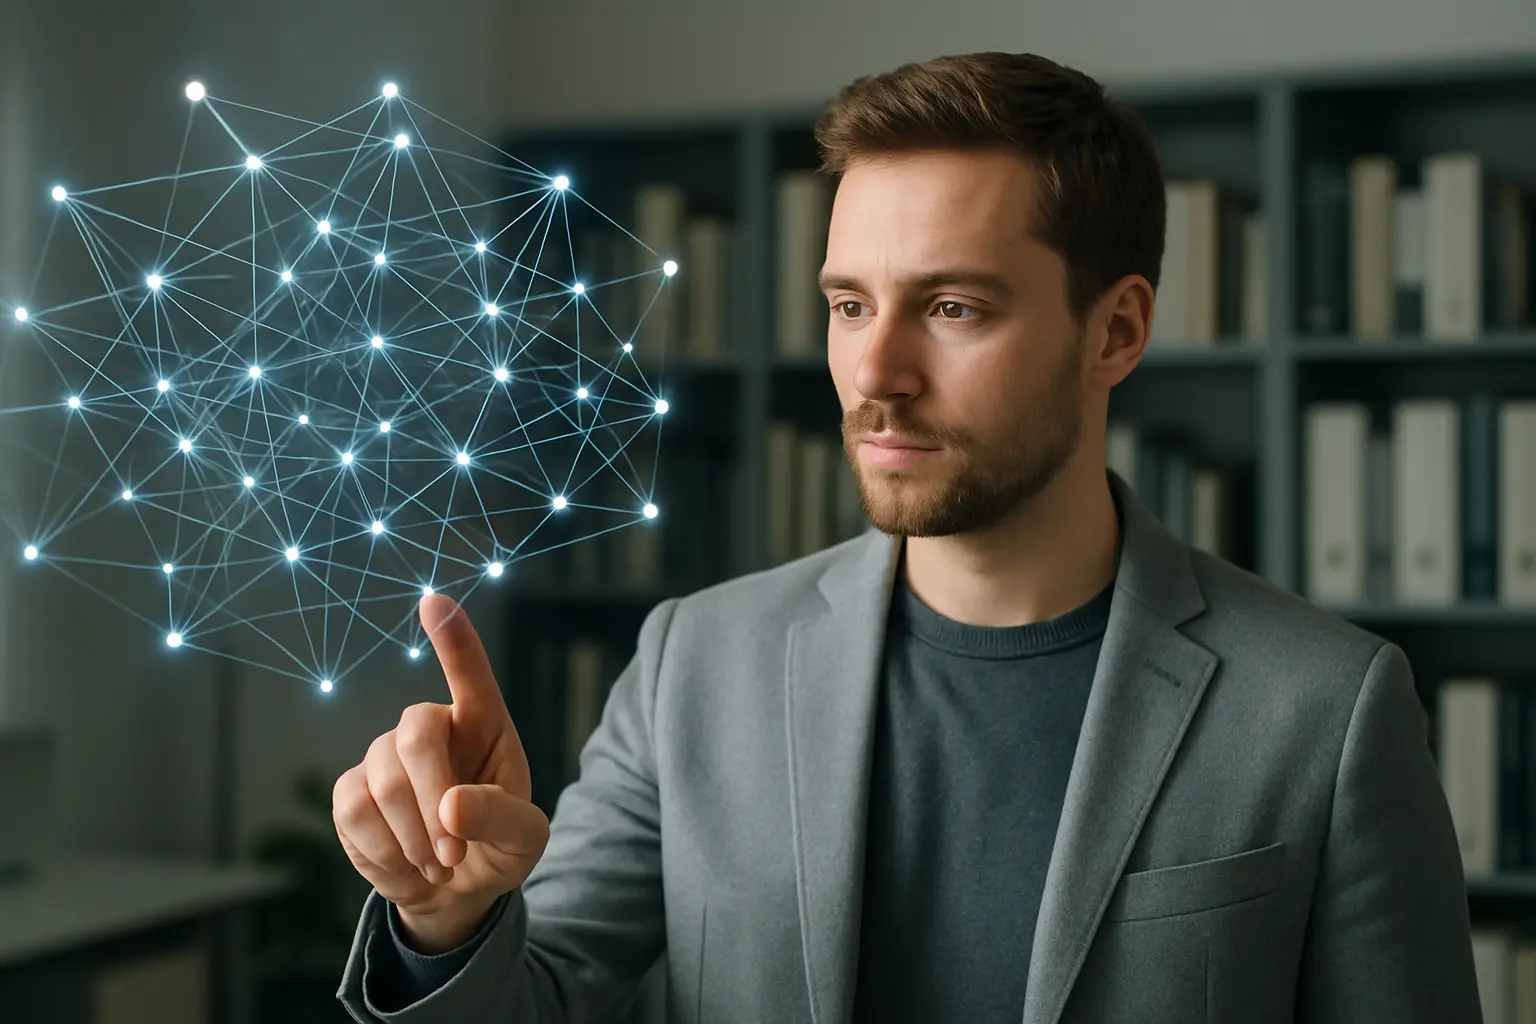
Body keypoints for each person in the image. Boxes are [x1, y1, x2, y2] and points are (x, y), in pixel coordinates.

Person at [333, 50, 1481, 1023]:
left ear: (1116, 330)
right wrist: (447, 914)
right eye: (849, 305)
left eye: (952, 308)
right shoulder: (697, 662)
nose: (875, 375)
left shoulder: (1326, 709)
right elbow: (538, 995)